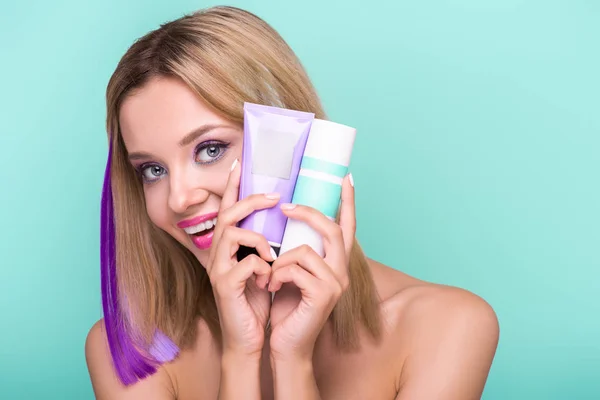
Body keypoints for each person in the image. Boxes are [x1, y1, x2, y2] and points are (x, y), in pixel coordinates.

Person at [85, 5, 499, 399]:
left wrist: (293, 362)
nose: (178, 199)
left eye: (210, 149)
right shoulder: (129, 353)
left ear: (295, 137)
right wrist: (241, 357)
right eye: (152, 170)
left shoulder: (448, 326)